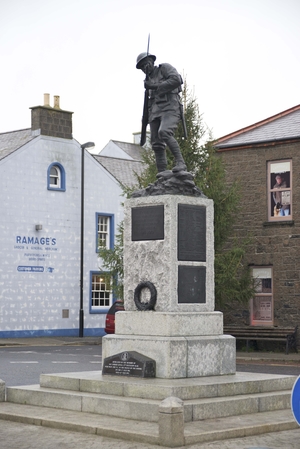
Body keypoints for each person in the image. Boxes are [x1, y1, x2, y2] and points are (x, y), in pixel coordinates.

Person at [136, 52, 186, 175]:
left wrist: (153, 86)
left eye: (146, 64)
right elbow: (149, 101)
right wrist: (146, 118)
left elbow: (177, 80)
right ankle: (162, 173)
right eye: (142, 67)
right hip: (155, 111)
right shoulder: (147, 81)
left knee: (164, 132)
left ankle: (181, 162)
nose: (144, 68)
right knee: (156, 143)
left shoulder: (164, 68)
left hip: (170, 107)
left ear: (152, 62)